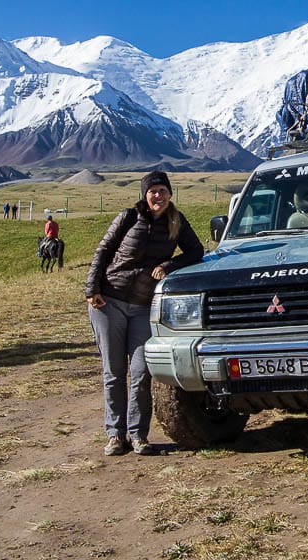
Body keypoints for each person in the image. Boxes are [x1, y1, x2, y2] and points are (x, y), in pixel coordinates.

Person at [85, 171, 204, 457]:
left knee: (141, 372)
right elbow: (103, 251)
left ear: (170, 194)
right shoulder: (128, 217)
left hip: (142, 308)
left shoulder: (177, 221)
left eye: (163, 191)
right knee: (114, 372)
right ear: (144, 194)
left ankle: (138, 435)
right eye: (153, 191)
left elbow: (195, 251)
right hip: (109, 302)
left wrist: (168, 265)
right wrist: (92, 289)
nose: (158, 196)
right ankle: (115, 435)